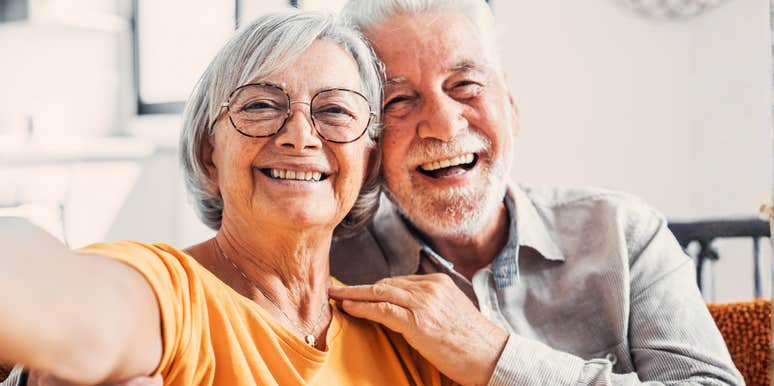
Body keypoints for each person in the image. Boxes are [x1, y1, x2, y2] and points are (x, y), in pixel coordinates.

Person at [0, 11, 450, 386]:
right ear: (209, 155)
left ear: (368, 163)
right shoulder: (177, 297)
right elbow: (61, 296)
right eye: (259, 106)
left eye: (334, 110)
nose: (299, 137)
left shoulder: (403, 341)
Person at [325, 1, 745, 385]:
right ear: (369, 136)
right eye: (398, 99)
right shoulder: (329, 265)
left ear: (510, 105)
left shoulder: (625, 233)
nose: (444, 125)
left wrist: (496, 358)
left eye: (465, 85)